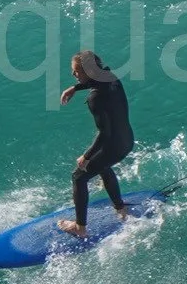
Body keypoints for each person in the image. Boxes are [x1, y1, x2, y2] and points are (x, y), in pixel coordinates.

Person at [58, 49, 135, 237]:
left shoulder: (95, 98)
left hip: (113, 146)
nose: (73, 74)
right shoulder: (111, 77)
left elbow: (105, 134)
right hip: (127, 140)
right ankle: (121, 208)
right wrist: (75, 88)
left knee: (78, 176)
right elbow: (96, 80)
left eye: (76, 71)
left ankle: (80, 228)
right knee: (102, 166)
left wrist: (86, 156)